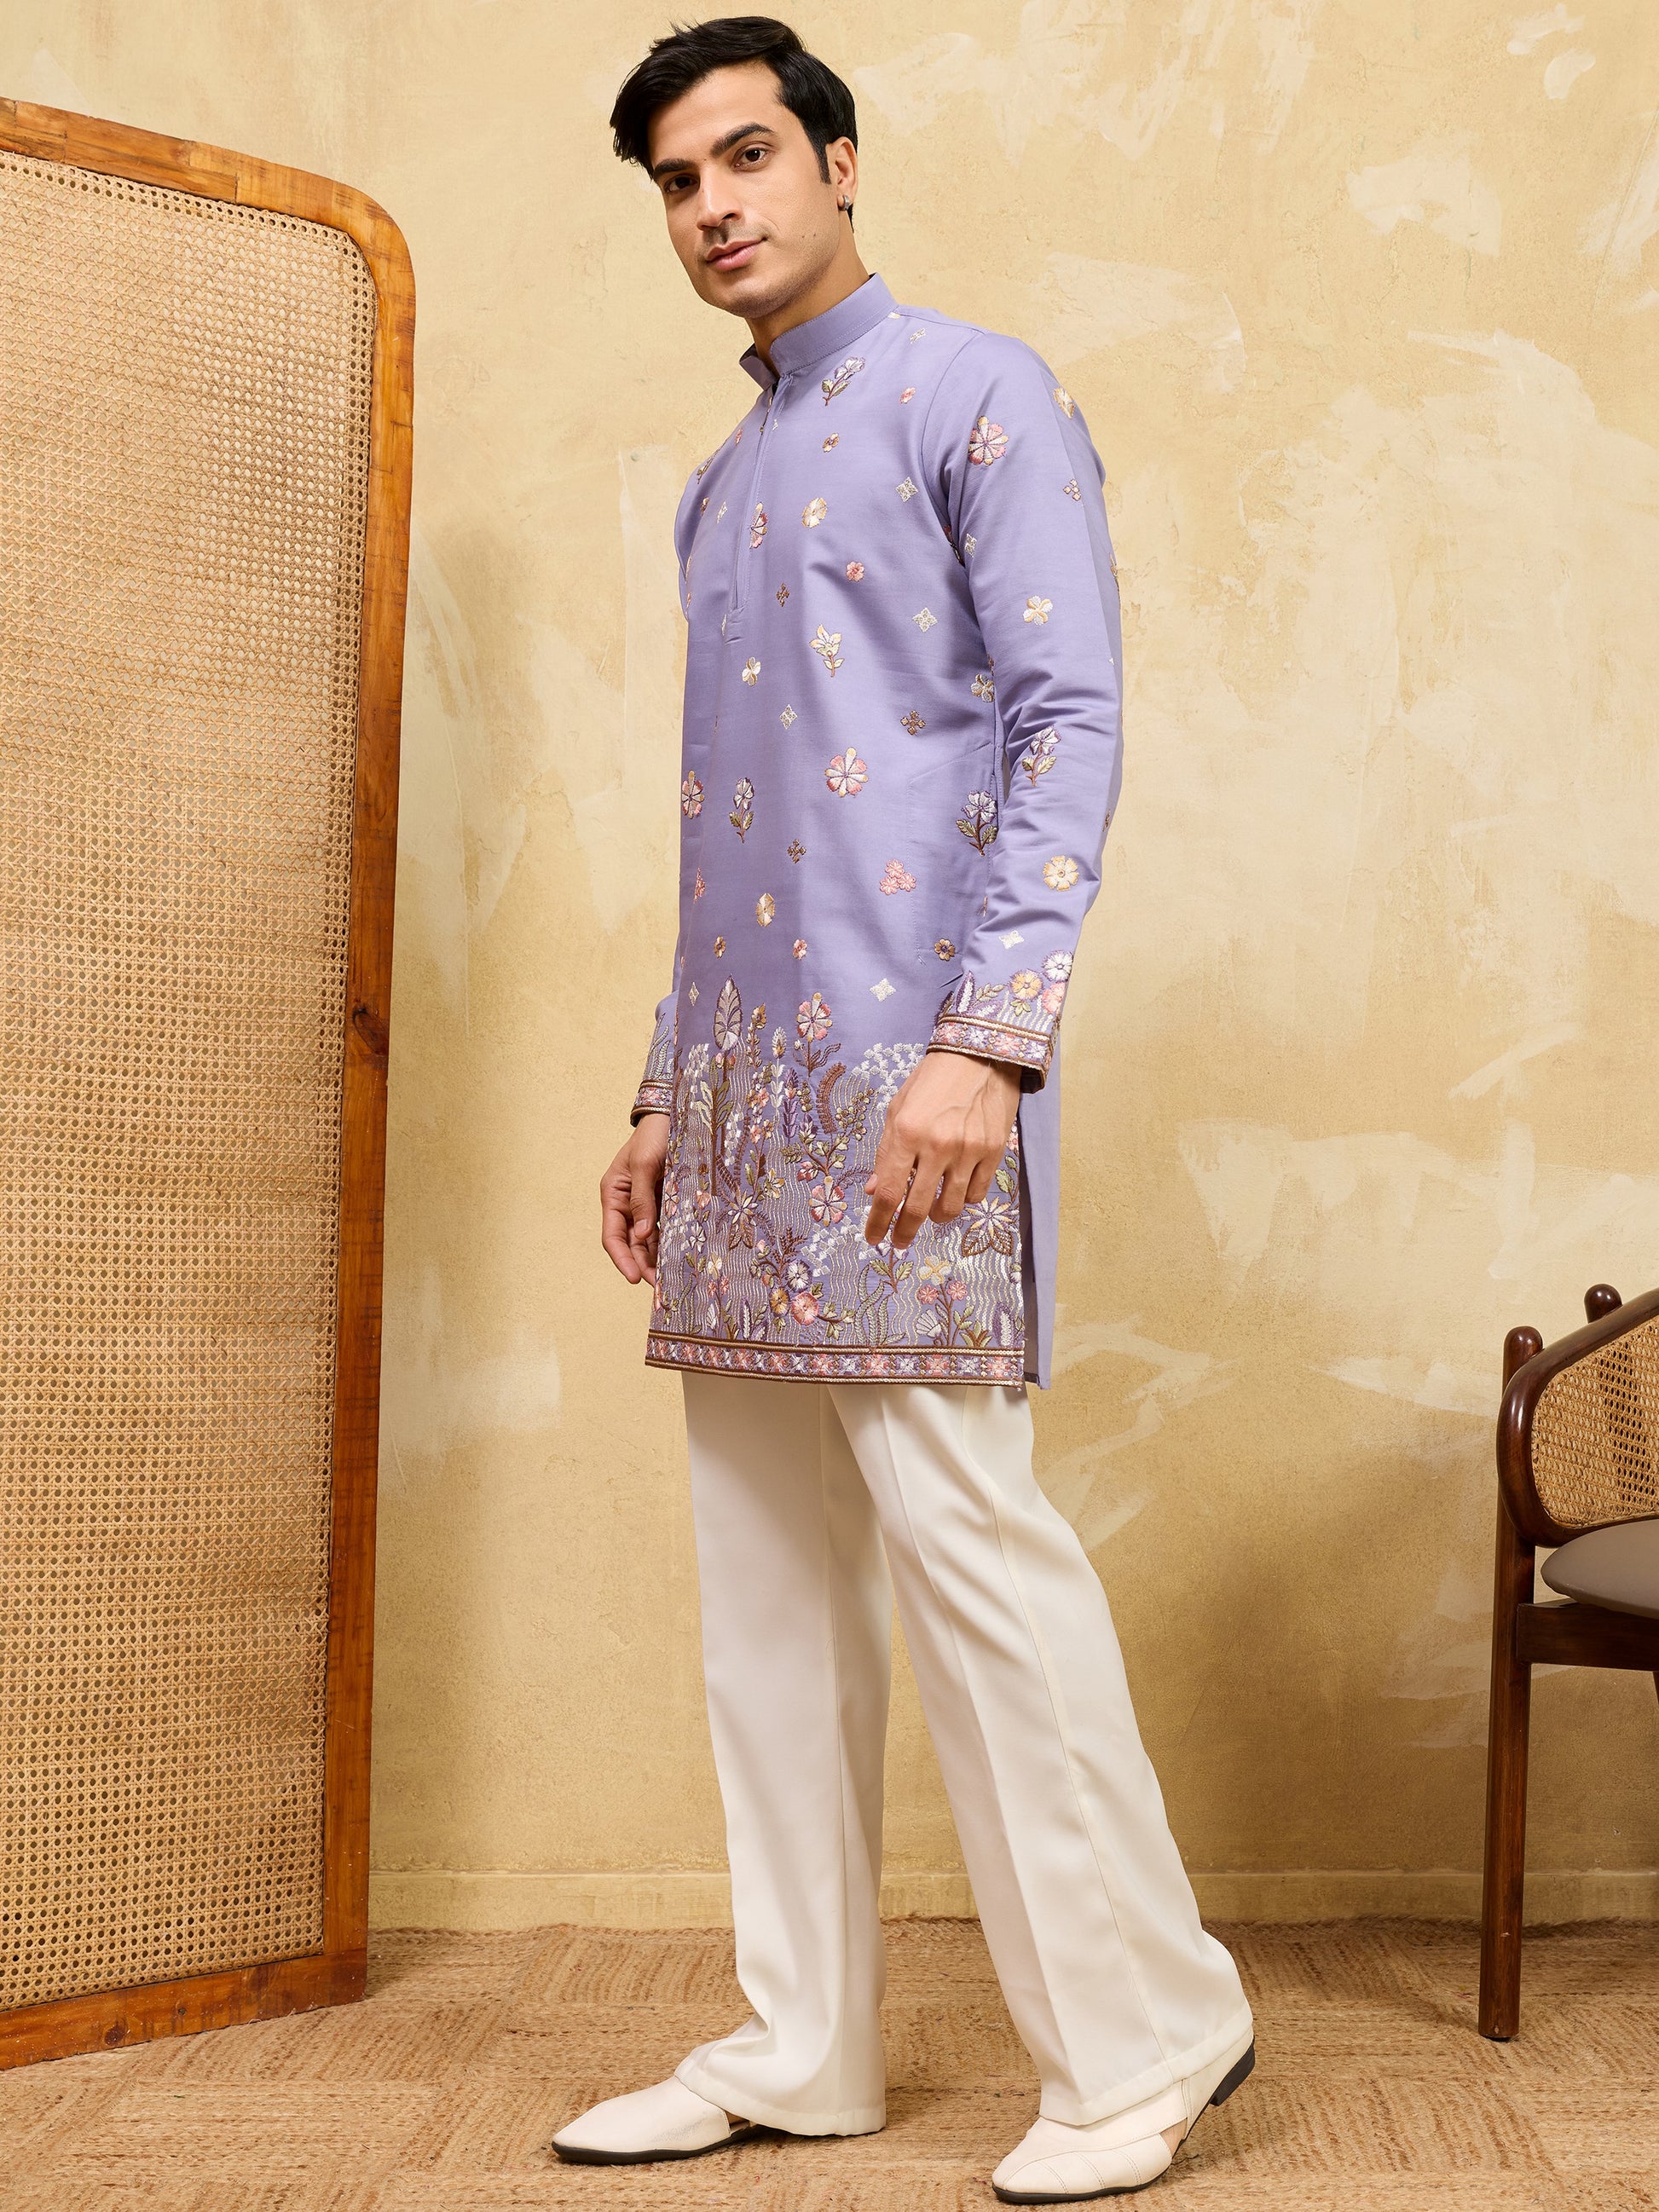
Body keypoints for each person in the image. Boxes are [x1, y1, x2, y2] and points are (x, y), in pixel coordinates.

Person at [566, 17, 1253, 2201]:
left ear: (839, 159)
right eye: (678, 181)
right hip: (742, 1111)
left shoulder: (981, 395)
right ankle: (804, 2035)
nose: (715, 206)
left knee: (973, 1556)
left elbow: (1067, 720)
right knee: (765, 1583)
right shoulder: (718, 484)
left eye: (747, 155)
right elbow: (725, 817)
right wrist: (662, 1094)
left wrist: (992, 1039)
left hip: (918, 1084)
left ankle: (1146, 2028)